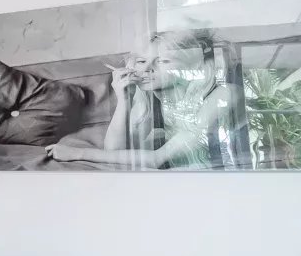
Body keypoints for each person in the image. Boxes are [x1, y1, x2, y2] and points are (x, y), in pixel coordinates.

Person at [49, 28, 236, 170]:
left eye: (162, 61)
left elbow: (156, 159)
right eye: (141, 61)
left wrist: (79, 153)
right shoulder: (151, 97)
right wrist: (124, 99)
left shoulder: (223, 95)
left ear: (191, 65)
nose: (146, 69)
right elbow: (113, 152)